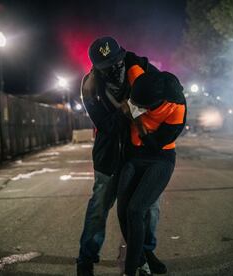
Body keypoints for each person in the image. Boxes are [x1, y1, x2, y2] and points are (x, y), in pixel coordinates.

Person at [77, 37, 166, 275]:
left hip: (141, 154)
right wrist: (130, 109)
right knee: (99, 208)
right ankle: (86, 259)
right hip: (109, 157)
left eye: (117, 63)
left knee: (150, 208)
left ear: (122, 56)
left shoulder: (141, 68)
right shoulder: (89, 86)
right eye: (108, 67)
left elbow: (163, 92)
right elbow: (105, 126)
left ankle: (145, 253)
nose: (115, 69)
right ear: (97, 68)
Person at [117, 71, 187, 276]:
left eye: (141, 105)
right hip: (133, 156)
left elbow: (157, 145)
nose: (136, 106)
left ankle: (131, 270)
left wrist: (137, 120)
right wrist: (124, 111)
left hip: (160, 158)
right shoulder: (141, 84)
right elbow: (131, 61)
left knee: (136, 210)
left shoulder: (176, 108)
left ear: (156, 103)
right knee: (122, 212)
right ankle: (142, 258)